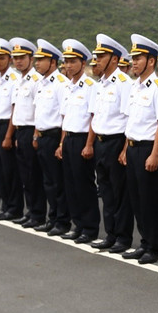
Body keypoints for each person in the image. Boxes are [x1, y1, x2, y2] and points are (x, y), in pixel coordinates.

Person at [118, 34, 158, 265]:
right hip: (133, 147)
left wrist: (156, 154)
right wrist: (125, 148)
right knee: (136, 199)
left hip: (149, 148)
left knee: (149, 200)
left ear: (151, 61)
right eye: (133, 58)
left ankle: (155, 247)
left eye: (139, 58)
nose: (134, 62)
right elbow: (131, 121)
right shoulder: (135, 87)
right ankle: (144, 243)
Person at [86, 34, 134, 254]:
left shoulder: (124, 84)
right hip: (101, 142)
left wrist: (125, 148)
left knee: (119, 192)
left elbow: (128, 119)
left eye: (101, 56)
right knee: (105, 191)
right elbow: (96, 117)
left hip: (116, 142)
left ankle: (123, 238)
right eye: (96, 56)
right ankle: (111, 234)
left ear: (114, 59)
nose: (97, 60)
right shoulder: (101, 85)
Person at [58, 39, 101, 244]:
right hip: (69, 139)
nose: (68, 65)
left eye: (72, 61)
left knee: (84, 185)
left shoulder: (90, 86)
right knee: (71, 184)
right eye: (66, 61)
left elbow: (93, 116)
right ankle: (78, 224)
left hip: (83, 139)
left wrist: (90, 144)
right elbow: (66, 118)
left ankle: (90, 228)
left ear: (82, 63)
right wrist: (61, 143)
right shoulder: (68, 86)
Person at [31, 40, 71, 236]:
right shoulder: (41, 83)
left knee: (58, 181)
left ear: (53, 62)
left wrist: (62, 142)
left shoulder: (61, 84)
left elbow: (64, 115)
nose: (37, 63)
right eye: (36, 60)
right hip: (43, 136)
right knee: (48, 181)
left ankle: (62, 221)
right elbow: (40, 112)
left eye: (41, 60)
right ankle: (52, 217)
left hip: (55, 136)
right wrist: (36, 135)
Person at [7, 38, 46, 228]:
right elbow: (16, 109)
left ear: (30, 58)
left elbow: (39, 109)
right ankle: (31, 211)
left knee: (33, 175)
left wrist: (35, 134)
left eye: (22, 57)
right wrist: (13, 134)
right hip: (20, 131)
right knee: (25, 176)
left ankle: (38, 214)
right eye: (15, 58)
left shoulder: (36, 80)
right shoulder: (19, 81)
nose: (18, 61)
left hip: (31, 130)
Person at [0, 38, 23, 221]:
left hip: (6, 127)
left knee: (10, 170)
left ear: (9, 58)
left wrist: (9, 135)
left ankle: (14, 207)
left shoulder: (14, 79)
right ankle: (6, 205)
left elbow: (13, 109)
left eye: (1, 58)